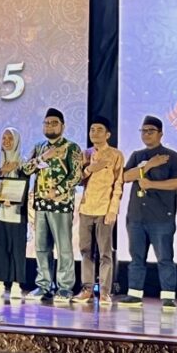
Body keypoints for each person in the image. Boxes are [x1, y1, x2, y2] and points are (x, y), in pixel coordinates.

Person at [119, 115, 177, 309]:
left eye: (151, 131)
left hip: (161, 217)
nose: (147, 134)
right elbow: (125, 177)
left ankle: (168, 297)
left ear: (160, 133)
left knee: (164, 258)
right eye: (144, 131)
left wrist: (151, 184)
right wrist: (148, 165)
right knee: (136, 258)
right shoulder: (137, 155)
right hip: (136, 217)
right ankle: (134, 294)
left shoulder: (171, 156)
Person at [22, 107, 81, 303]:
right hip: (40, 204)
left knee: (63, 248)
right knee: (41, 247)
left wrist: (59, 190)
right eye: (47, 123)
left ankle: (65, 288)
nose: (50, 126)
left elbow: (76, 175)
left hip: (61, 204)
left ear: (62, 126)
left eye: (54, 123)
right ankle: (43, 285)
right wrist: (43, 158)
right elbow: (25, 169)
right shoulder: (39, 147)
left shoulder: (71, 148)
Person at [74, 117, 124, 306]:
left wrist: (113, 210)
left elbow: (118, 184)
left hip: (104, 209)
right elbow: (76, 180)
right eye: (92, 129)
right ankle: (87, 289)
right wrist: (89, 169)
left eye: (99, 129)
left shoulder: (116, 155)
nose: (94, 133)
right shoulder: (85, 154)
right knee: (86, 251)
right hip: (86, 207)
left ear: (108, 134)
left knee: (105, 253)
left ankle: (104, 292)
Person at [0, 128, 28, 303]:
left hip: (16, 212)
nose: (6, 141)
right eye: (4, 138)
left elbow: (26, 185)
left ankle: (17, 284)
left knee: (17, 249)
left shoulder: (23, 161)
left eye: (10, 138)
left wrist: (15, 199)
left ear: (16, 140)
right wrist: (2, 171)